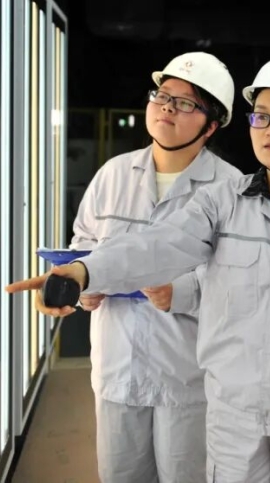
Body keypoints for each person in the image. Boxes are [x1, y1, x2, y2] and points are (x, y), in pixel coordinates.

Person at [9, 51, 270, 483]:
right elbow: (156, 245)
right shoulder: (223, 202)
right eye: (262, 116)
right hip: (233, 414)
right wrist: (83, 272)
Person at [73, 51, 241, 483]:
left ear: (211, 125)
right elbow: (84, 242)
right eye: (162, 96)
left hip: (187, 377)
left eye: (185, 103)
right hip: (117, 368)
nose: (167, 108)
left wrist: (180, 293)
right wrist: (84, 284)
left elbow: (241, 284)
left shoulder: (231, 190)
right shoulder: (113, 175)